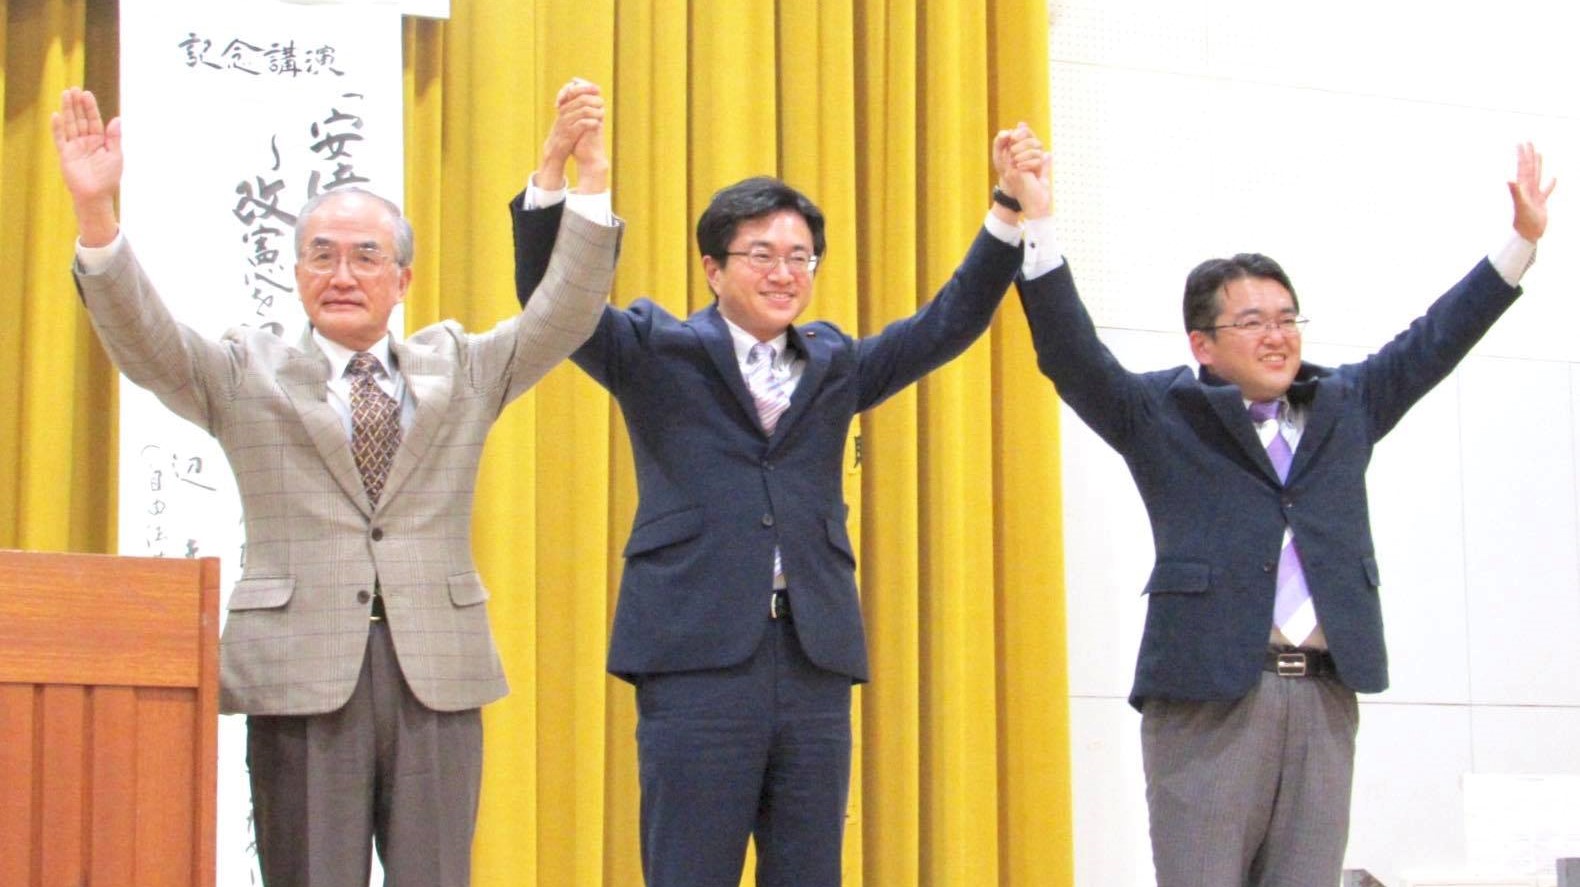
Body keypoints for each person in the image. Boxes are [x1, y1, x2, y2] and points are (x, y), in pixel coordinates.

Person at [51, 85, 621, 886]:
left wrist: (585, 180)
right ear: (296, 274)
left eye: (365, 256)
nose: (342, 274)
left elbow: (563, 317)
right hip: (301, 675)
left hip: (435, 671)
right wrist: (96, 215)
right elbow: (149, 344)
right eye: (322, 255)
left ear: (403, 278)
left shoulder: (459, 367)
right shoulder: (246, 372)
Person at [511, 80, 1048, 886]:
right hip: (696, 658)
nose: (784, 272)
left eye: (800, 257)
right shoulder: (657, 349)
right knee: (690, 869)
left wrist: (1008, 207)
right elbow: (551, 304)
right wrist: (564, 172)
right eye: (760, 254)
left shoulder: (835, 362)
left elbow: (947, 323)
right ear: (712, 267)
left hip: (811, 659)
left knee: (810, 871)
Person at [1014, 140, 1554, 885]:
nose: (1277, 335)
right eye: (1253, 322)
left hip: (1325, 695)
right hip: (1209, 698)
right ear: (1203, 344)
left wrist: (1519, 242)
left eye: (1288, 318)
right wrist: (1037, 225)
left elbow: (1435, 340)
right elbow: (1073, 357)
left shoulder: (1346, 403)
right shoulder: (1162, 414)